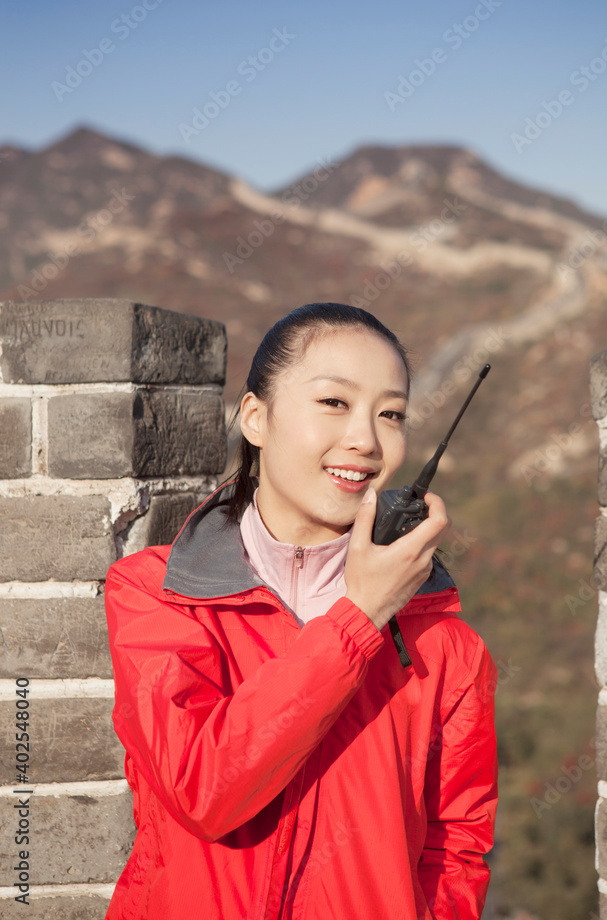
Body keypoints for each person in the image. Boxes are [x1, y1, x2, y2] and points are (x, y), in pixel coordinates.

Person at [104, 302, 498, 920]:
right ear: (256, 418)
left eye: (390, 414)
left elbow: (454, 849)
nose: (366, 439)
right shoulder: (158, 594)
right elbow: (206, 790)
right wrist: (359, 616)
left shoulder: (446, 645)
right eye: (334, 403)